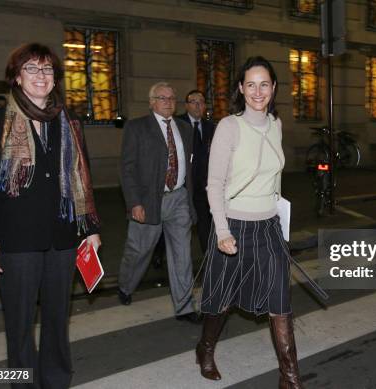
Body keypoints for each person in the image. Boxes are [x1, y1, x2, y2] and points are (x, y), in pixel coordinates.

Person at [0, 43, 101, 388]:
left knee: (57, 318)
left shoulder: (69, 121)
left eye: (47, 70)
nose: (40, 76)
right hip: (16, 241)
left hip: (63, 237)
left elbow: (83, 177)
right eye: (31, 69)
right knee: (19, 322)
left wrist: (89, 227)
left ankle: (57, 379)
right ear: (17, 77)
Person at [197, 56, 303, 388]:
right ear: (241, 89)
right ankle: (206, 348)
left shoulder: (276, 125)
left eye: (265, 84)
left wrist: (280, 220)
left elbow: (274, 179)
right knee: (222, 300)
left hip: (269, 226)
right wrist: (223, 231)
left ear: (273, 88)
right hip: (236, 227)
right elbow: (214, 185)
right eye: (251, 84)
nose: (258, 91)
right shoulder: (229, 126)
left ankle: (290, 377)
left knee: (280, 302)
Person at [117, 81, 200, 323]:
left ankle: (184, 306)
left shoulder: (185, 129)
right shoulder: (137, 127)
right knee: (139, 250)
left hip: (179, 199)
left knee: (182, 255)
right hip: (148, 200)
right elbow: (127, 168)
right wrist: (134, 202)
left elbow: (191, 164)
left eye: (172, 98)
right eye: (162, 98)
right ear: (152, 102)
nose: (168, 102)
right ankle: (125, 285)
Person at [177, 90, 216, 252]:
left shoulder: (210, 126)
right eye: (193, 101)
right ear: (186, 106)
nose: (198, 105)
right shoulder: (177, 124)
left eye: (201, 101)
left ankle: (207, 253)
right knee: (176, 222)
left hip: (203, 181)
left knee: (204, 218)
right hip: (183, 182)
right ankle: (158, 252)